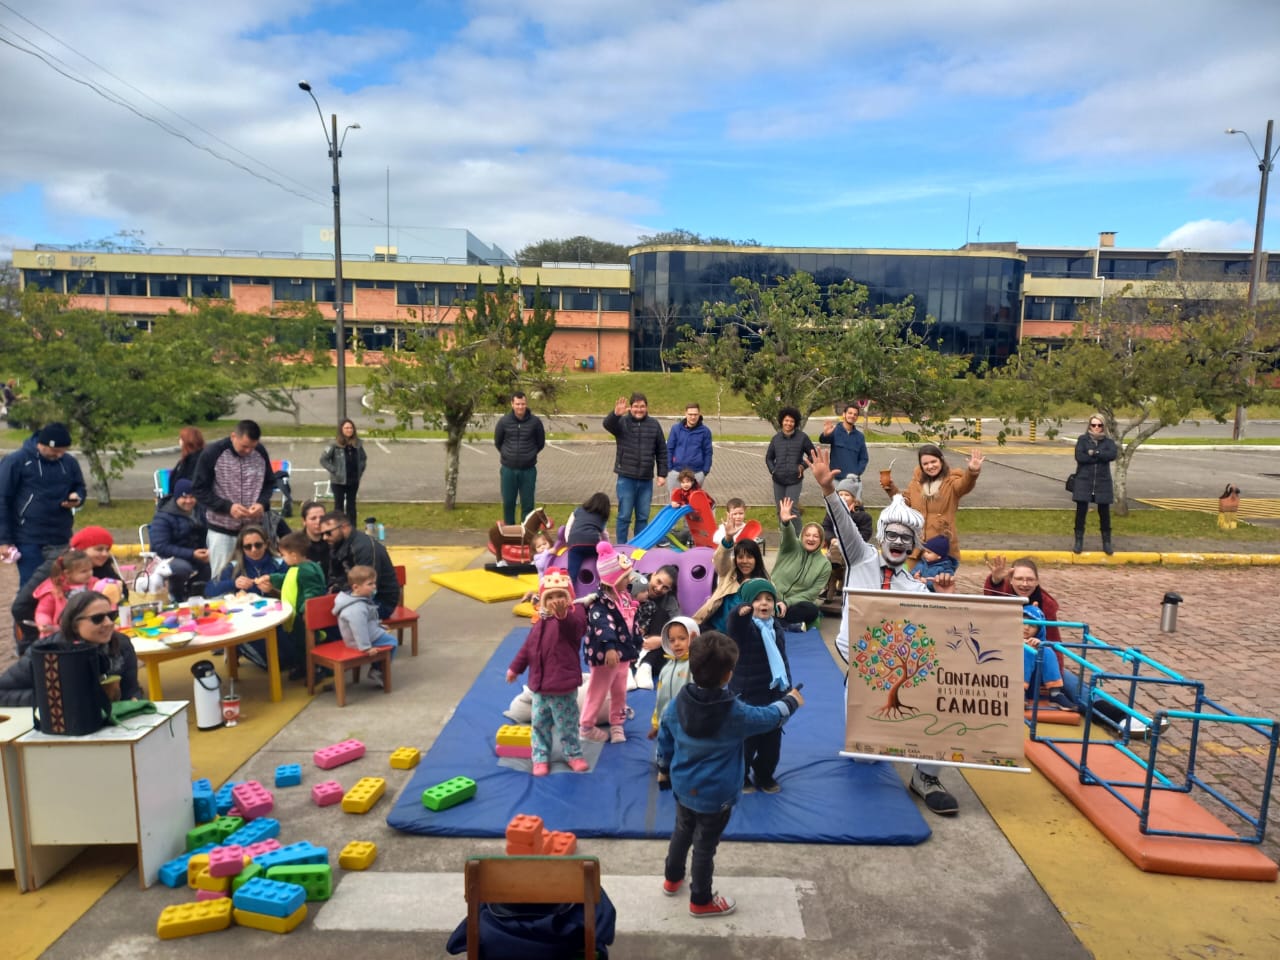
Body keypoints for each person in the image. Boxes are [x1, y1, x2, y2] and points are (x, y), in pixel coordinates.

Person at [810, 447, 963, 817]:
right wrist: (828, 490)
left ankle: (925, 776)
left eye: (904, 538)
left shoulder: (916, 587)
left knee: (939, 706)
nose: (897, 542)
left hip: (910, 678)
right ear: (881, 537)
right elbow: (846, 527)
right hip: (862, 676)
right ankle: (876, 738)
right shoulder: (860, 559)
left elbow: (943, 640)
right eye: (891, 535)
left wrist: (943, 600)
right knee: (865, 758)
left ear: (913, 545)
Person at [656, 629, 804, 917]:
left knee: (682, 832)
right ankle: (700, 900)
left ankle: (672, 880)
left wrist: (664, 768)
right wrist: (792, 701)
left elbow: (664, 744)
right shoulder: (736, 714)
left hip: (684, 788)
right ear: (728, 675)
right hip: (716, 796)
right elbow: (770, 717)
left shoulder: (676, 706)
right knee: (704, 847)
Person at [505, 570, 590, 776]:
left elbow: (576, 630)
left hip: (563, 684)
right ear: (543, 600)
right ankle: (540, 756)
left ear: (568, 596)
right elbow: (529, 646)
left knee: (567, 723)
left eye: (560, 595)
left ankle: (573, 754)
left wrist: (562, 616)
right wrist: (516, 667)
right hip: (540, 686)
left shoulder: (575, 613)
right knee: (540, 724)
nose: (555, 601)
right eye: (550, 597)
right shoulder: (541, 620)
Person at [0, 590, 141, 708]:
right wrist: (51, 700)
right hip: (62, 727)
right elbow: (2, 692)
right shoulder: (46, 653)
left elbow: (131, 689)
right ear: (74, 625)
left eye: (111, 616)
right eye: (97, 619)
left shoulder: (121, 644)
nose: (109, 623)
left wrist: (134, 699)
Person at [12, 527, 127, 654]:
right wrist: (41, 634)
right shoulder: (56, 569)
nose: (105, 554)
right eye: (99, 549)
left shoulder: (100, 567)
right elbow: (20, 607)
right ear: (81, 549)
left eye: (107, 549)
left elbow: (121, 592)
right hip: (53, 635)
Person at [726, 579, 795, 794]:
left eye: (768, 599)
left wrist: (787, 688)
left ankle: (765, 774)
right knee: (747, 742)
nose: (763, 604)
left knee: (771, 744)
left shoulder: (775, 627)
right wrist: (741, 612)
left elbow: (782, 660)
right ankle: (742, 775)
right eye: (756, 599)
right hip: (747, 695)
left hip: (773, 693)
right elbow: (734, 624)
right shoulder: (745, 630)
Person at [0, 422, 85, 589]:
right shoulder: (16, 461)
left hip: (61, 535)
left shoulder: (69, 462)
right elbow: (2, 499)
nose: (60, 455)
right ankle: (26, 615)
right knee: (33, 586)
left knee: (62, 584)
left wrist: (78, 497)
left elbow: (79, 486)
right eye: (55, 451)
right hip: (28, 537)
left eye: (63, 451)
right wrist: (4, 540)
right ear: (42, 444)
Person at [193, 420, 275, 580]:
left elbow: (269, 483)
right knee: (222, 578)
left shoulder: (260, 452)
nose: (249, 451)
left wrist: (262, 503)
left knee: (255, 578)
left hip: (253, 530)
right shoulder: (213, 453)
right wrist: (227, 507)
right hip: (222, 529)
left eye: (252, 446)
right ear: (233, 436)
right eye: (244, 446)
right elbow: (199, 489)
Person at [579, 542, 643, 744]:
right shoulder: (599, 603)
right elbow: (603, 626)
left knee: (619, 692)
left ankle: (617, 724)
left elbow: (630, 621)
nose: (630, 579)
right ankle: (586, 726)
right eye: (625, 577)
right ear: (612, 581)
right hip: (606, 657)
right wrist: (610, 647)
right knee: (597, 692)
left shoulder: (623, 596)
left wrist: (638, 638)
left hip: (622, 655)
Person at [881, 444, 983, 563]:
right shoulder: (916, 483)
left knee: (938, 581)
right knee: (914, 580)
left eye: (933, 461)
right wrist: (891, 488)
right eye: (925, 464)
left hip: (940, 550)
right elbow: (905, 503)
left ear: (941, 460)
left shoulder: (951, 482)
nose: (930, 466)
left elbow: (965, 484)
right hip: (917, 548)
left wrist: (972, 471)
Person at [261, 531, 328, 679]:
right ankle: (302, 667)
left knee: (305, 645)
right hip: (296, 615)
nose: (282, 558)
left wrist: (306, 609)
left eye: (283, 555)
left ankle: (314, 670)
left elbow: (313, 591)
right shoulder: (298, 568)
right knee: (297, 644)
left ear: (294, 555)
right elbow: (288, 579)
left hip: (303, 617)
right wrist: (271, 578)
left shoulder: (306, 571)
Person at [603, 393, 668, 544]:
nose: (639, 409)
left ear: (647, 407)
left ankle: (640, 546)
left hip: (646, 480)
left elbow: (661, 450)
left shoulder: (654, 424)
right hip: (626, 478)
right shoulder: (622, 423)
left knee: (643, 516)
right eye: (636, 406)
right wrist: (615, 415)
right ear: (630, 408)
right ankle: (621, 546)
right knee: (624, 515)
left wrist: (662, 474)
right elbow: (607, 425)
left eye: (642, 406)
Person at [320, 511, 399, 618]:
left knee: (327, 617)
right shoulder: (338, 543)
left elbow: (368, 588)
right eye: (322, 534)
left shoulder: (364, 548)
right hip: (352, 592)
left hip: (379, 601)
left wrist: (337, 595)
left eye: (328, 533)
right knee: (315, 602)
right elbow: (334, 575)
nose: (324, 537)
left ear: (343, 527)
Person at [692, 522, 767, 633]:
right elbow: (720, 560)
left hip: (742, 635)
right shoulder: (728, 573)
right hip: (714, 628)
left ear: (757, 559)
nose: (745, 561)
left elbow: (771, 602)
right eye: (740, 557)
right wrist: (728, 538)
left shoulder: (763, 582)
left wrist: (779, 603)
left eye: (750, 557)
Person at [335, 563, 400, 690]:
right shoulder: (356, 609)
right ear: (356, 587)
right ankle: (377, 670)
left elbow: (368, 619)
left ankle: (378, 667)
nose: (374, 587)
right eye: (370, 584)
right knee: (392, 642)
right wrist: (365, 648)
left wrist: (378, 625)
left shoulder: (361, 599)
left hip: (368, 634)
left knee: (388, 638)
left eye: (374, 583)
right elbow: (358, 629)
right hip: (359, 640)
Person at [771, 497, 831, 630]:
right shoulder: (791, 546)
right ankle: (785, 624)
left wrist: (787, 603)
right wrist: (786, 523)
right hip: (773, 597)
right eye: (807, 535)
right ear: (801, 536)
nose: (811, 539)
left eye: (815, 536)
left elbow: (812, 593)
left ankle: (777, 622)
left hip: (794, 604)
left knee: (811, 609)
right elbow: (788, 535)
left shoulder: (824, 564)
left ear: (821, 540)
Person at [149, 478, 211, 601]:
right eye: (184, 497)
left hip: (194, 554)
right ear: (176, 497)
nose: (188, 501)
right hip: (168, 557)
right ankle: (176, 595)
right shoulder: (163, 516)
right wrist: (192, 554)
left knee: (214, 563)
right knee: (182, 568)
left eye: (192, 497)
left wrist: (208, 550)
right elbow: (160, 546)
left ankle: (195, 593)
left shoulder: (200, 511)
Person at [33, 550, 119, 635]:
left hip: (92, 632)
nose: (89, 573)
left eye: (90, 569)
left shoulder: (96, 585)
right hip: (60, 634)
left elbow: (108, 603)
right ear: (67, 573)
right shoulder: (54, 590)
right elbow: (43, 611)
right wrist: (44, 623)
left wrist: (111, 617)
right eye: (84, 571)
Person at [493, 392, 547, 526]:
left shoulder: (535, 422)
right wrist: (507, 454)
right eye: (517, 404)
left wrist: (530, 454)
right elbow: (498, 442)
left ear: (526, 404)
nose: (520, 407)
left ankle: (526, 531)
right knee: (508, 502)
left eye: (523, 404)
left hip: (528, 470)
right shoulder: (504, 421)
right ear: (512, 404)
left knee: (528, 503)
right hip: (508, 470)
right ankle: (509, 530)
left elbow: (540, 442)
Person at [764, 407, 815, 536]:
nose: (788, 423)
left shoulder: (802, 437)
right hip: (778, 480)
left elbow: (812, 455)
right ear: (782, 421)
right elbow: (769, 457)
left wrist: (803, 466)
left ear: (795, 423)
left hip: (794, 480)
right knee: (780, 510)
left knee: (792, 509)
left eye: (791, 421)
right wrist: (773, 470)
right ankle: (785, 539)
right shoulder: (776, 439)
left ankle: (799, 538)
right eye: (786, 420)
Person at [1072, 415, 1118, 555]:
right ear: (1089, 426)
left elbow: (1111, 455)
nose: (1096, 428)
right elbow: (1080, 457)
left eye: (1099, 425)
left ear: (1103, 426)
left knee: (1104, 512)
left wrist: (1095, 453)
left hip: (1102, 481)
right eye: (1093, 425)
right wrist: (1098, 457)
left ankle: (1107, 542)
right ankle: (1078, 541)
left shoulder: (1108, 442)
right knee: (1081, 512)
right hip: (1084, 480)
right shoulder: (1082, 440)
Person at [649, 615, 696, 741]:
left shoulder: (695, 665)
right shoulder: (666, 668)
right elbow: (661, 698)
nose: (677, 644)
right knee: (664, 754)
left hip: (687, 726)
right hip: (666, 725)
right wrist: (656, 723)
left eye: (682, 638)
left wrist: (697, 649)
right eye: (672, 640)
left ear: (693, 637)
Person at [204, 525, 285, 598]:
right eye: (248, 547)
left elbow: (293, 592)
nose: (254, 550)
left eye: (258, 545)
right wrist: (233, 583)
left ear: (266, 544)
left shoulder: (280, 563)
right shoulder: (234, 566)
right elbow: (209, 589)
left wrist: (272, 591)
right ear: (242, 548)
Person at [634, 564, 682, 687]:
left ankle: (646, 665)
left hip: (651, 643)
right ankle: (630, 667)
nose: (659, 588)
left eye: (665, 587)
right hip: (629, 634)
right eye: (658, 581)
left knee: (662, 614)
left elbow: (679, 625)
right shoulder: (635, 583)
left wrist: (662, 640)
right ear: (653, 574)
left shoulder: (669, 601)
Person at [320, 418, 368, 524]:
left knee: (352, 506)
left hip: (353, 480)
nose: (349, 430)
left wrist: (360, 470)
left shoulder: (358, 444)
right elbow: (323, 460)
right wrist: (335, 470)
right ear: (341, 429)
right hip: (338, 481)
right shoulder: (334, 444)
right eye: (346, 428)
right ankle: (338, 528)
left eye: (351, 428)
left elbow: (363, 458)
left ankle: (352, 529)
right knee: (339, 506)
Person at [818, 401, 869, 500]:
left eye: (855, 414)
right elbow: (823, 440)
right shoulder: (835, 430)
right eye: (850, 413)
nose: (852, 416)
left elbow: (864, 458)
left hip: (853, 481)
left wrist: (856, 473)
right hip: (836, 480)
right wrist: (826, 434)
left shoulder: (860, 437)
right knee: (835, 510)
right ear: (844, 414)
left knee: (856, 511)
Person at [563, 492, 610, 586]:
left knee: (572, 572)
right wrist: (608, 547)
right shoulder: (602, 517)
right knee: (602, 565)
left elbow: (568, 527)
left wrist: (568, 542)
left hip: (575, 543)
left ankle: (569, 593)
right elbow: (604, 534)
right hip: (592, 543)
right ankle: (603, 585)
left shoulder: (578, 511)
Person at [666, 402, 713, 489]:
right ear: (685, 414)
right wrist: (669, 468)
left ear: (699, 414)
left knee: (694, 501)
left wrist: (704, 471)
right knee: (675, 501)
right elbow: (669, 449)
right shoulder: (676, 429)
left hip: (697, 473)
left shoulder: (705, 432)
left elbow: (708, 452)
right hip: (676, 472)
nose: (693, 417)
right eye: (690, 414)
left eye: (695, 414)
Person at [158, 427, 205, 506]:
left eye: (181, 438)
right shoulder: (188, 459)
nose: (179, 441)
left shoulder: (194, 461)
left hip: (187, 503)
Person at [299, 499, 330, 569]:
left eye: (322, 517)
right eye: (313, 518)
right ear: (304, 521)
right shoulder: (296, 544)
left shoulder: (334, 540)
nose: (318, 522)